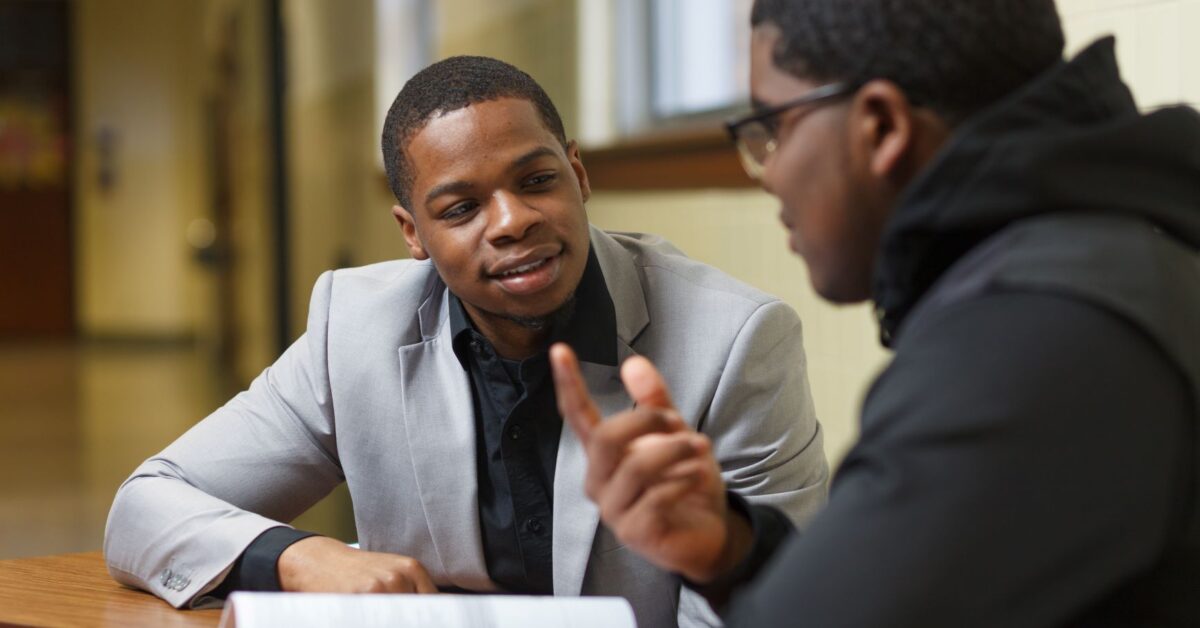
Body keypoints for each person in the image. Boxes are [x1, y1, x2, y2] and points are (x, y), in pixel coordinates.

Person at [103, 55, 828, 628]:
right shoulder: (354, 328)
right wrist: (297, 557)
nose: (512, 221)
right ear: (412, 232)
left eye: (537, 179)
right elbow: (147, 506)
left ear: (578, 175)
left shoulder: (735, 340)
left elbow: (789, 599)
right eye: (461, 207)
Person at [550, 1, 1200, 626]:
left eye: (774, 127)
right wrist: (732, 552)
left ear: (882, 126)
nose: (767, 173)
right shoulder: (1106, 251)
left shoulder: (1038, 333)